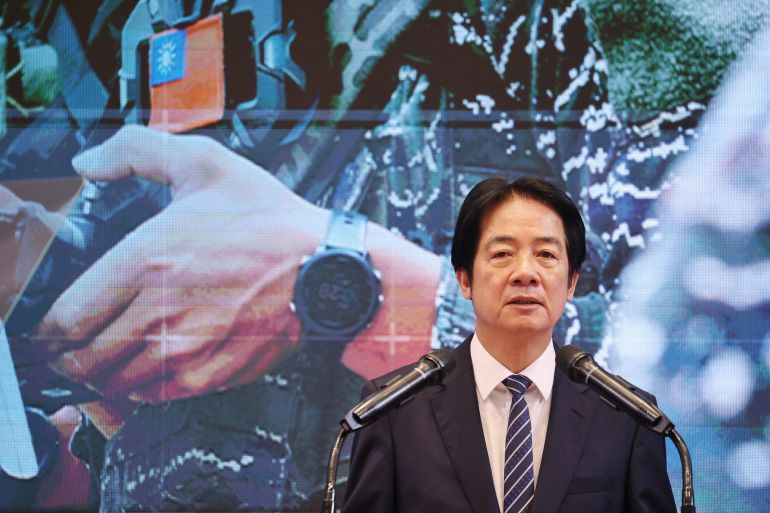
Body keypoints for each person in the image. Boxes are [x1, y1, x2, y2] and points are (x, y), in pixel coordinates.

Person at [342, 176, 677, 513]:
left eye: (546, 254)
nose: (525, 273)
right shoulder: (394, 410)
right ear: (464, 279)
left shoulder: (627, 417)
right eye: (502, 254)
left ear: (571, 283)